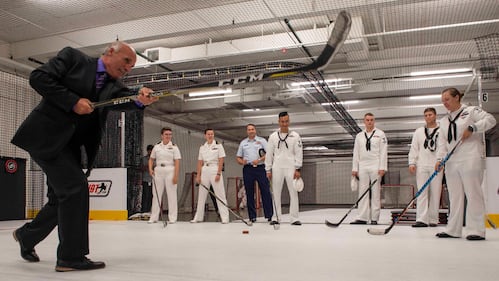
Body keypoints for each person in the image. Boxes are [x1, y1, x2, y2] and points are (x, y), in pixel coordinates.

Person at [10, 41, 158, 272]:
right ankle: (70, 257)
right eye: (127, 61)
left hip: (69, 148)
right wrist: (73, 102)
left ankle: (27, 236)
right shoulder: (73, 58)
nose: (128, 68)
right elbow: (39, 77)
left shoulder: (112, 85)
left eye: (132, 66)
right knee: (76, 189)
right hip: (45, 138)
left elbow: (126, 98)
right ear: (110, 52)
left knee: (61, 198)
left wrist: (140, 99)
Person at [434, 87, 496, 240]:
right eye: (443, 101)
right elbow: (442, 142)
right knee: (454, 196)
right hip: (451, 160)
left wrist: (473, 127)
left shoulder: (471, 111)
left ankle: (476, 230)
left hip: (470, 157)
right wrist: (439, 159)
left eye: (447, 99)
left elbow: (490, 120)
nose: (445, 103)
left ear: (457, 98)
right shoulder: (443, 121)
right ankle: (453, 229)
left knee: (473, 193)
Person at [265, 112, 303, 226]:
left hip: (291, 167)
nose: (284, 124)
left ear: (289, 121)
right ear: (279, 122)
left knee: (293, 192)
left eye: (286, 121)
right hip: (277, 167)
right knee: (276, 192)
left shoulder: (295, 136)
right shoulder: (273, 136)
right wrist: (268, 169)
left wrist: (298, 168)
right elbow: (269, 154)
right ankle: (276, 217)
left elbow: (299, 152)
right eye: (282, 121)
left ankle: (294, 218)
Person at [351, 113, 388, 225]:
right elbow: (356, 153)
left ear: (374, 121)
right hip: (363, 165)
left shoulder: (380, 134)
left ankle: (374, 218)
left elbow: (383, 151)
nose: (369, 122)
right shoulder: (359, 136)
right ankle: (362, 217)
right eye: (367, 120)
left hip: (375, 164)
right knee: (362, 191)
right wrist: (354, 168)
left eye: (371, 120)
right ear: (364, 121)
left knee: (375, 192)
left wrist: (382, 167)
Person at [408, 108, 442, 227]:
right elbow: (414, 148)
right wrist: (412, 162)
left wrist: (441, 160)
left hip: (436, 166)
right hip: (421, 165)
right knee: (422, 192)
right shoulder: (419, 131)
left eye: (430, 115)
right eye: (426, 115)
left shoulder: (441, 130)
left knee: (436, 193)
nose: (428, 117)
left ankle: (433, 219)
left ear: (435, 115)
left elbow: (444, 147)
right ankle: (421, 219)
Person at [190, 129, 230, 224]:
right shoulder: (202, 147)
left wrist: (219, 173)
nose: (210, 135)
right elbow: (200, 162)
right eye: (208, 134)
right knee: (201, 195)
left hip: (214, 169)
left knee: (220, 194)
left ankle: (225, 217)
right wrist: (198, 176)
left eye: (212, 134)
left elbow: (221, 160)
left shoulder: (218, 145)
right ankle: (198, 217)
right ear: (205, 135)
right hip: (205, 169)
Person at [236, 124, 273, 223]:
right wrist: (241, 161)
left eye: (252, 129)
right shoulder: (243, 143)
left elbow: (269, 153)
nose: (251, 131)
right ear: (247, 131)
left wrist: (260, 159)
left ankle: (269, 215)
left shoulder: (262, 141)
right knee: (249, 192)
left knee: (265, 191)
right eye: (249, 130)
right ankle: (252, 216)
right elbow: (238, 157)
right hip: (248, 169)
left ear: (255, 130)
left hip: (261, 168)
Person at [148, 128, 181, 224]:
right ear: (162, 135)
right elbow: (151, 159)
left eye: (170, 134)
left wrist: (176, 176)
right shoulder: (157, 147)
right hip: (158, 170)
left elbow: (177, 162)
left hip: (170, 170)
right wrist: (150, 169)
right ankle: (154, 217)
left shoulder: (174, 147)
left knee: (172, 195)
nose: (168, 136)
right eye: (166, 134)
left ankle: (172, 218)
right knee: (156, 194)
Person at [141, 144, 154, 216]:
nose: (151, 152)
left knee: (151, 196)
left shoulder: (155, 159)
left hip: (153, 180)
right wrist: (148, 167)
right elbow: (142, 168)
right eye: (150, 151)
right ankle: (144, 210)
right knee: (145, 195)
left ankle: (149, 210)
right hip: (146, 179)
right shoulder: (144, 159)